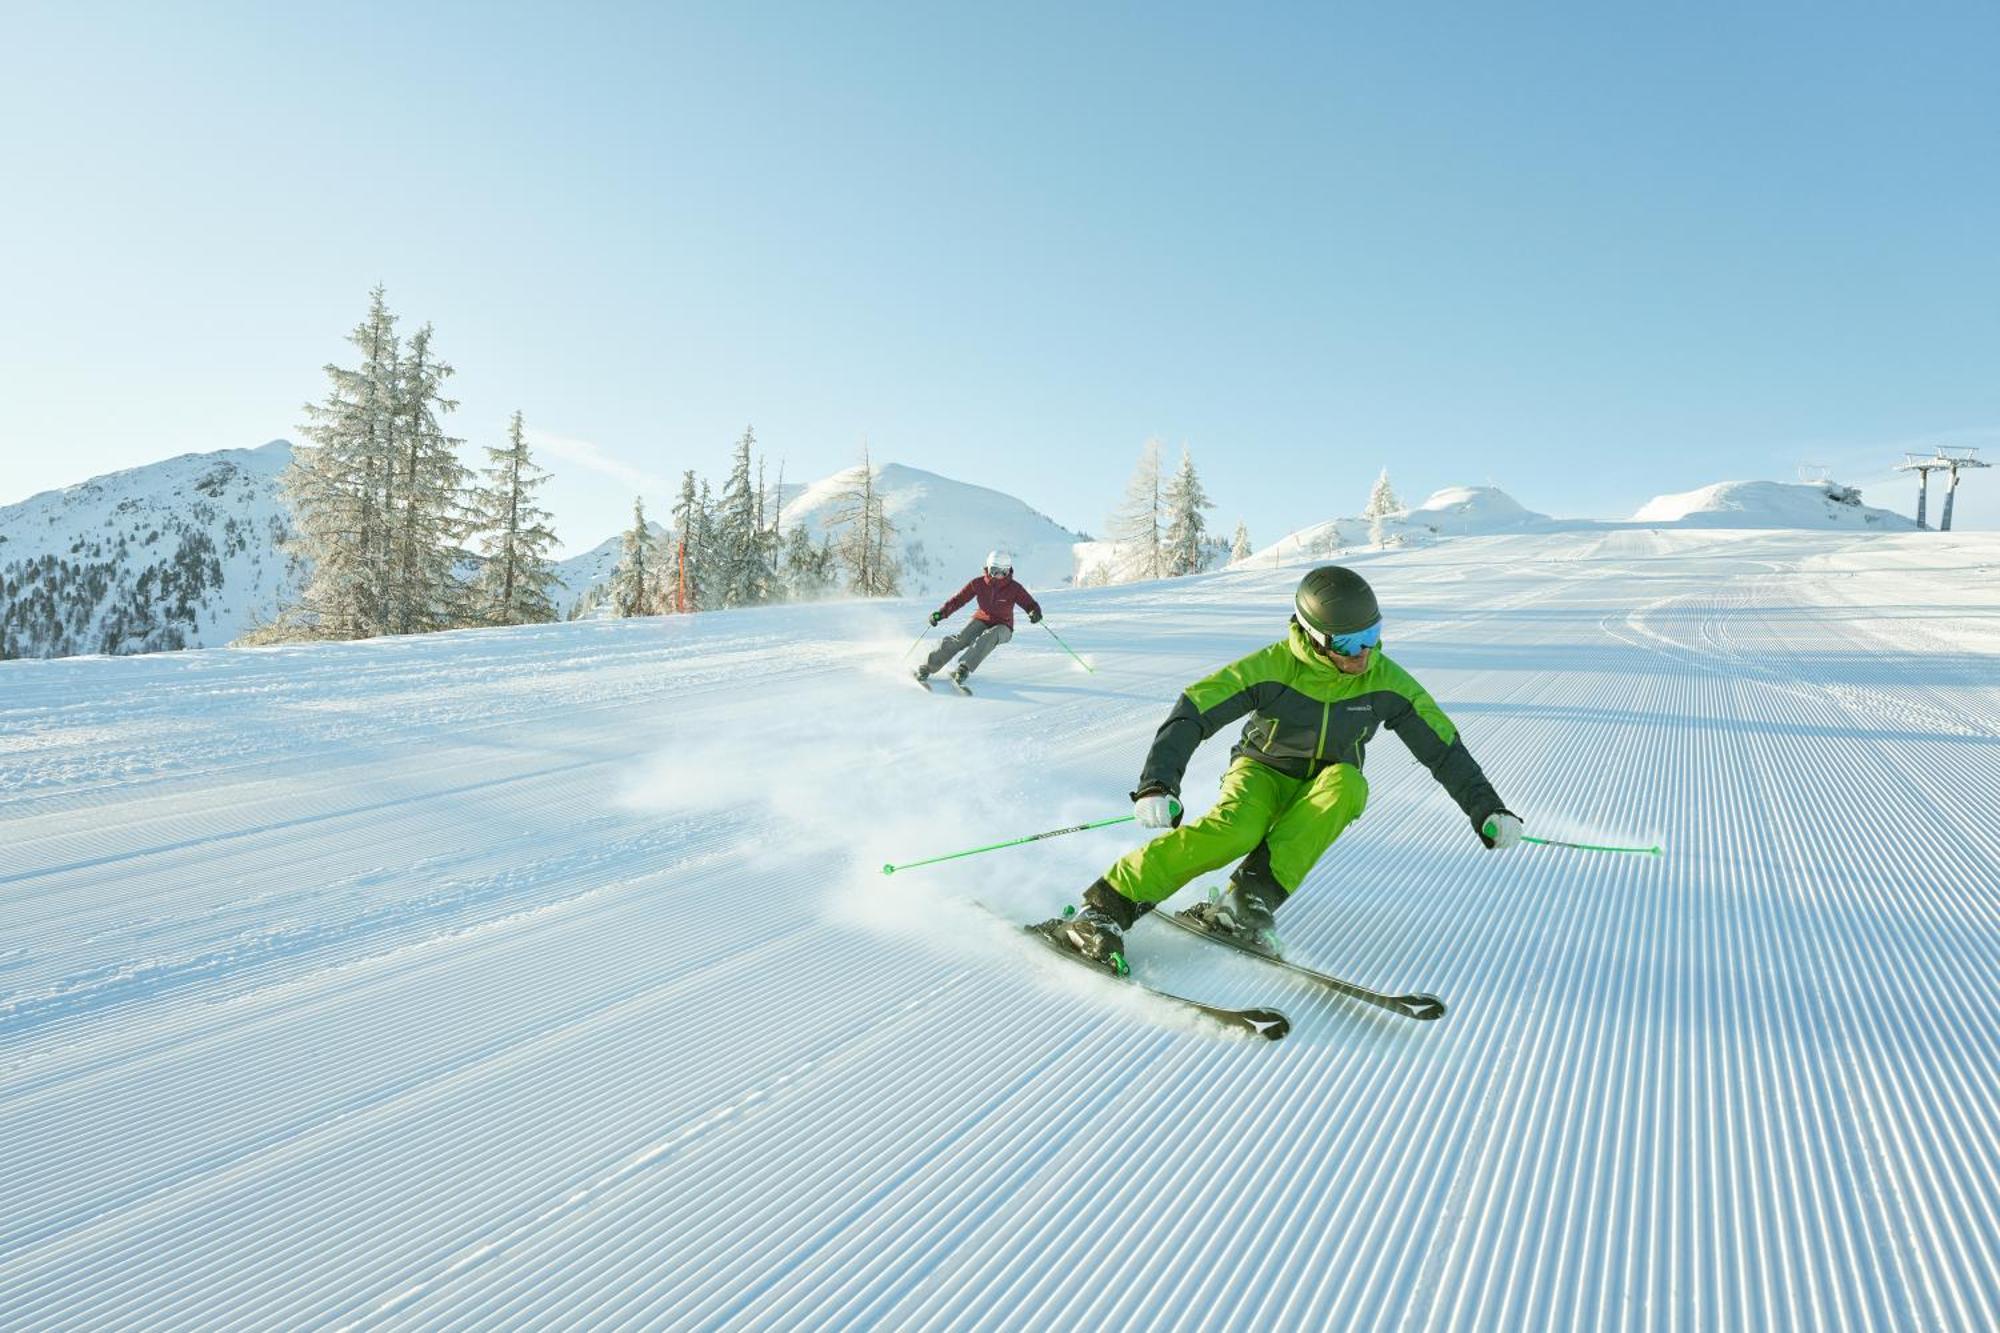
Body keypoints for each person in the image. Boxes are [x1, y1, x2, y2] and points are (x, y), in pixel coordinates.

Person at [1048, 564, 1523, 966]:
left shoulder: (1387, 680)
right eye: (1351, 641)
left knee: (1349, 785)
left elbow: (1443, 748)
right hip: (1262, 771)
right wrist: (1157, 783)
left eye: (1373, 636)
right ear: (1316, 637)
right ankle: (1104, 908)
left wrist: (1488, 809)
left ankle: (1246, 899)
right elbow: (1193, 711)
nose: (1364, 654)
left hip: (1324, 783)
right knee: (1236, 831)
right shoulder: (1273, 667)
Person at [917, 550, 1043, 687]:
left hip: (1004, 626)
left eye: (1004, 572)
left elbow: (1030, 604)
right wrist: (940, 614)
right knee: (961, 639)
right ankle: (928, 667)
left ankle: (963, 669)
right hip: (981, 620)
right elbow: (958, 600)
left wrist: (1034, 612)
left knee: (988, 637)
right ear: (989, 568)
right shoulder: (978, 584)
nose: (999, 576)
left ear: (1009, 570)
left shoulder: (1015, 588)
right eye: (995, 571)